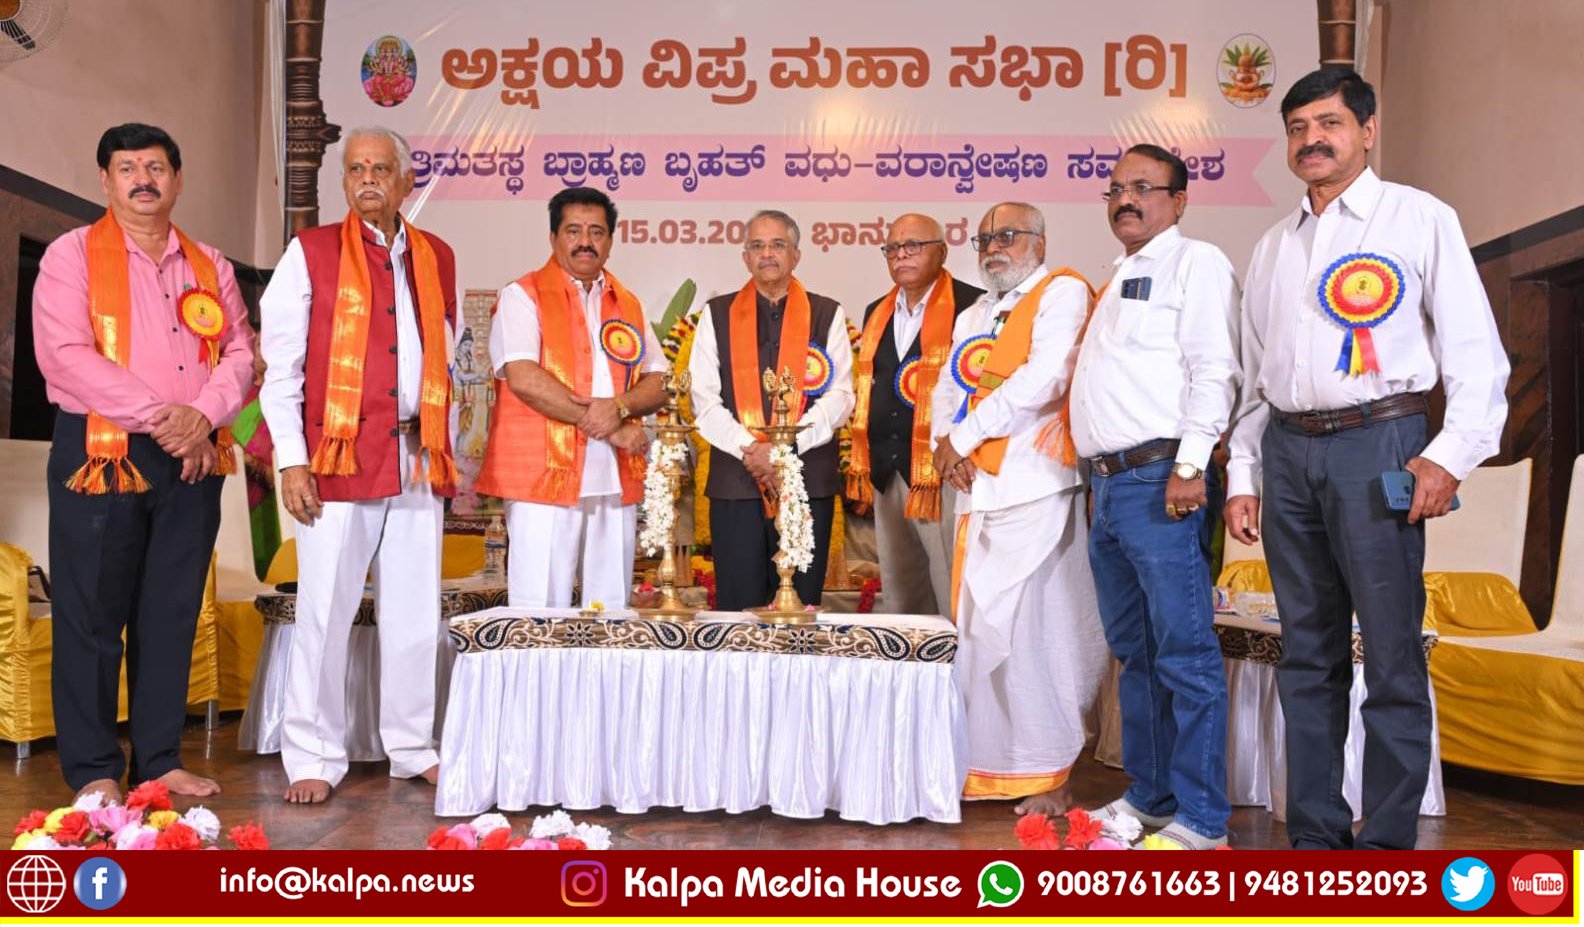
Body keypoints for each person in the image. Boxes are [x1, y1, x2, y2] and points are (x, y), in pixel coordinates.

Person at [1224, 69, 1509, 849]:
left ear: (1367, 130)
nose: (1311, 139)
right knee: (1307, 657)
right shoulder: (1273, 246)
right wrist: (1244, 473)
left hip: (1380, 443)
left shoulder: (1419, 218)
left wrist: (1447, 456)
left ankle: (1384, 845)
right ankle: (1316, 840)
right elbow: (1256, 375)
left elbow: (1476, 354)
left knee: (1389, 655)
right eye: (1297, 128)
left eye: (1329, 123)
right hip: (1287, 454)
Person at [34, 122, 255, 803]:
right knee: (91, 616)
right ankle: (94, 770)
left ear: (177, 179)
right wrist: (170, 419)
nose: (142, 180)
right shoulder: (71, 255)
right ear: (105, 181)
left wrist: (202, 417)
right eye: (127, 168)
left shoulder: (210, 264)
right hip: (102, 454)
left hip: (193, 458)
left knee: (170, 612)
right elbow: (66, 356)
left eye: (155, 167)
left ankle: (159, 760)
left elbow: (241, 353)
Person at [260, 126, 459, 804]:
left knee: (414, 610)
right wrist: (292, 462)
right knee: (325, 610)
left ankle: (412, 746)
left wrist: (440, 437)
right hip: (336, 458)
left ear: (407, 181)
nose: (367, 179)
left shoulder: (437, 256)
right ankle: (313, 752)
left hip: (415, 456)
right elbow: (281, 370)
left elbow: (446, 355)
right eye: (355, 169)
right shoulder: (310, 252)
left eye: (380, 168)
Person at [1069, 144, 1241, 848]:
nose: (1126, 199)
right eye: (1116, 188)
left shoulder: (1196, 262)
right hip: (1109, 486)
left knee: (1184, 654)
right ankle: (1150, 797)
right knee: (1135, 654)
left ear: (1179, 199)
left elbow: (1215, 368)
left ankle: (1202, 820)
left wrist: (1191, 463)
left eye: (1143, 187)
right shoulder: (1118, 275)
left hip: (1161, 478)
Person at [930, 202, 1107, 813]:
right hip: (977, 491)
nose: (994, 248)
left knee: (1039, 634)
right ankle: (985, 765)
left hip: (1036, 487)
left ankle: (1049, 773)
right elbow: (947, 387)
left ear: (1040, 240)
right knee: (979, 635)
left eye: (1007, 235)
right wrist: (946, 444)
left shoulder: (1061, 294)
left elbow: (1044, 379)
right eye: (984, 239)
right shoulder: (976, 312)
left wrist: (963, 437)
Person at [476, 187, 666, 608]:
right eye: (573, 231)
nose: (585, 242)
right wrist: (610, 428)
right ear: (553, 238)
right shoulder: (522, 295)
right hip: (542, 476)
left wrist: (620, 408)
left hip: (614, 477)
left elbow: (660, 379)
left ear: (610, 241)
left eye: (596, 232)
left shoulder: (627, 303)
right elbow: (523, 377)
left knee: (611, 607)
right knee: (540, 606)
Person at [689, 210, 854, 611]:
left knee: (799, 610)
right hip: (737, 481)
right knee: (738, 611)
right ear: (745, 257)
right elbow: (703, 399)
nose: (767, 254)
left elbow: (840, 396)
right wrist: (751, 449)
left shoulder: (827, 313)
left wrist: (784, 452)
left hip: (806, 482)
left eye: (778, 245)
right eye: (758, 246)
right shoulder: (717, 314)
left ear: (796, 255)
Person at [848, 214, 983, 615]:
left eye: (913, 246)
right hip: (887, 473)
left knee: (950, 590)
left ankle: (957, 657)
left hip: (943, 472)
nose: (901, 255)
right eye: (892, 248)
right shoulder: (877, 311)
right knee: (901, 596)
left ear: (942, 252)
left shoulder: (973, 306)